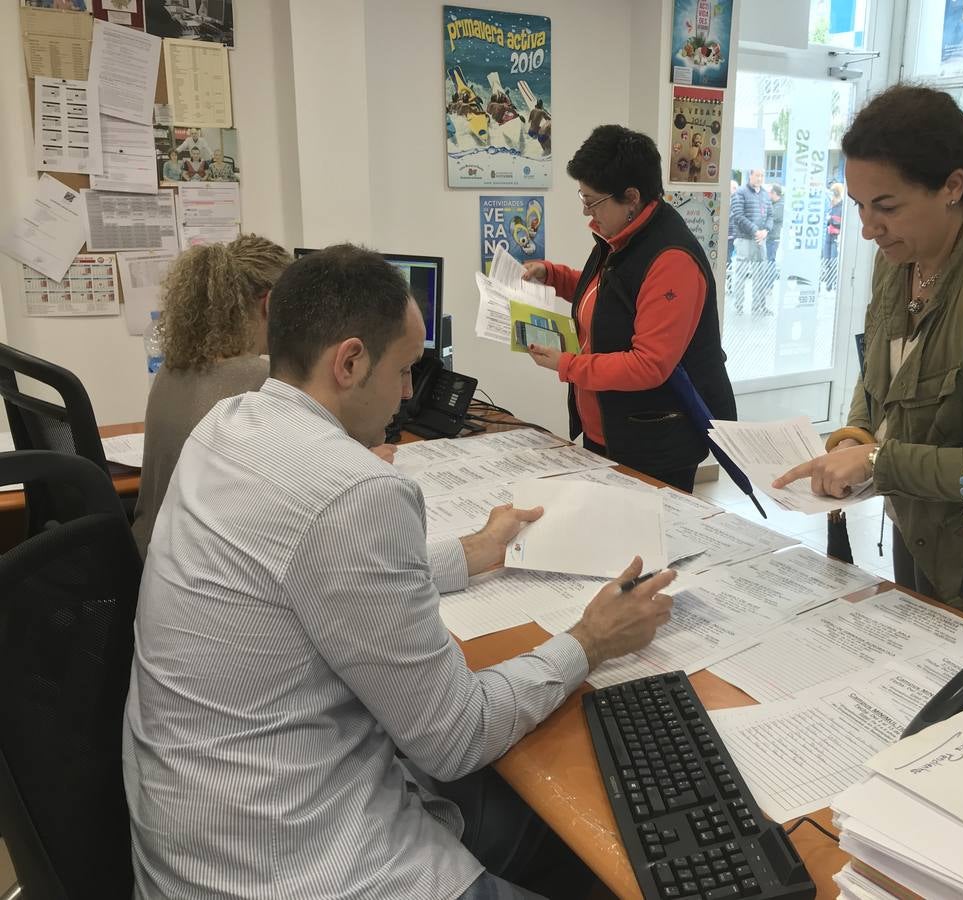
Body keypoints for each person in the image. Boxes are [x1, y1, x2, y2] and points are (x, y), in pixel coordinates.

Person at [123, 244, 678, 900]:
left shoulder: (227, 425)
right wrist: (591, 640)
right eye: (407, 368)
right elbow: (457, 734)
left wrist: (475, 550)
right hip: (293, 867)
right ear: (351, 361)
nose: (411, 392)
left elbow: (316, 572)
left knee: (547, 829)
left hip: (195, 841)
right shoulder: (355, 490)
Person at [773, 85, 963, 606]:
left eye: (887, 207)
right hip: (916, 524)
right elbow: (879, 374)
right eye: (859, 206)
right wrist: (854, 437)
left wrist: (877, 463)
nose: (869, 229)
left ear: (952, 186)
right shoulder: (899, 259)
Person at [520, 125, 736, 493]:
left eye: (593, 201)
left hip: (655, 447)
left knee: (643, 546)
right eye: (583, 198)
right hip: (609, 434)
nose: (587, 212)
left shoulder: (671, 259)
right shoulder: (622, 238)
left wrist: (566, 365)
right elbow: (610, 301)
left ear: (631, 197)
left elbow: (649, 364)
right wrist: (554, 277)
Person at [130, 235, 291, 557]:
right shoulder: (262, 382)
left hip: (148, 556)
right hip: (194, 573)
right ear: (270, 304)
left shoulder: (171, 370)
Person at [729, 168, 773, 315]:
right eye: (757, 175)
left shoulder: (765, 194)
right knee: (741, 274)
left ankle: (758, 306)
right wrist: (756, 231)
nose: (760, 178)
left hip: (761, 240)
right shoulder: (740, 193)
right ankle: (738, 306)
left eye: (762, 175)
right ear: (750, 176)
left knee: (760, 274)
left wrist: (765, 230)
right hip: (744, 239)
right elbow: (738, 216)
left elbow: (770, 216)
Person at [823, 182, 844, 290]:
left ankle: (833, 283)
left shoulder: (842, 206)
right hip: (829, 234)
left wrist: (831, 219)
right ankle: (828, 283)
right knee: (826, 259)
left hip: (836, 236)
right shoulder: (831, 205)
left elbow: (841, 222)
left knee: (833, 260)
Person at [766, 183, 784, 289]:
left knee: (770, 261)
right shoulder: (774, 204)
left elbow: (771, 217)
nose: (768, 195)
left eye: (769, 193)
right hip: (770, 237)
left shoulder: (780, 205)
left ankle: (769, 285)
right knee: (769, 260)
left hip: (774, 238)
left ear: (774, 193)